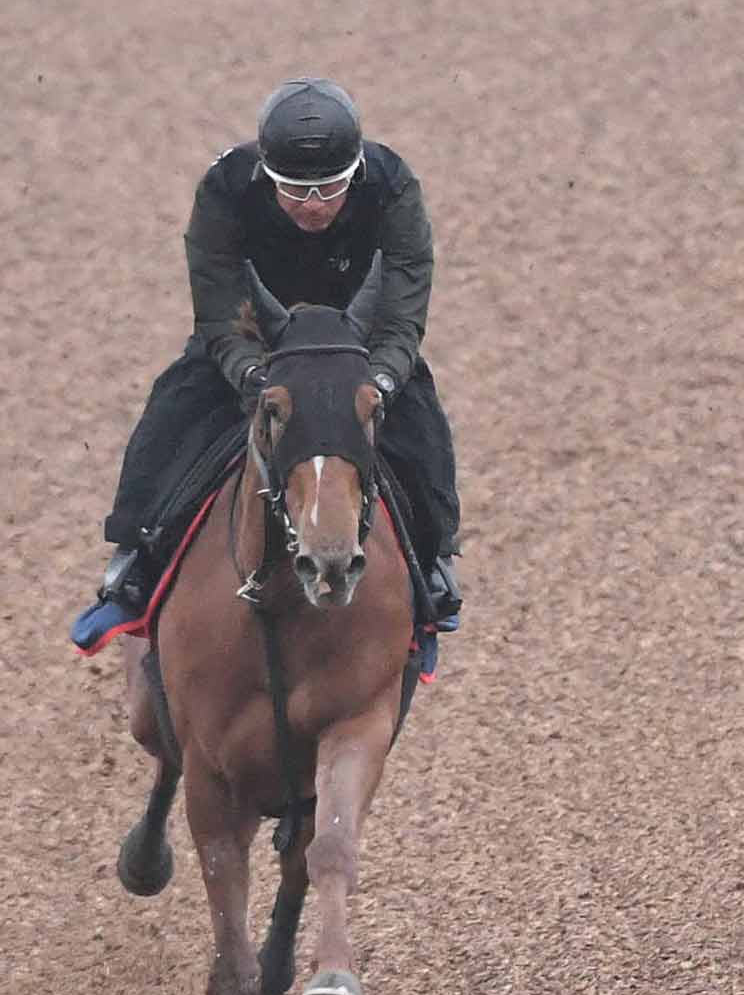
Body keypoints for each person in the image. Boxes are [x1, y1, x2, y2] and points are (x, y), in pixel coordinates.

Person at [84, 77, 462, 633]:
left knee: (424, 426)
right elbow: (218, 310)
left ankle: (433, 562)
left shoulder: (394, 185)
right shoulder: (224, 187)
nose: (314, 205)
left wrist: (382, 379)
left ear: (355, 173)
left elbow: (403, 313)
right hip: (256, 342)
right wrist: (253, 377)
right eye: (295, 190)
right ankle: (135, 557)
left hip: (355, 351)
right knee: (173, 408)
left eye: (330, 189)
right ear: (266, 174)